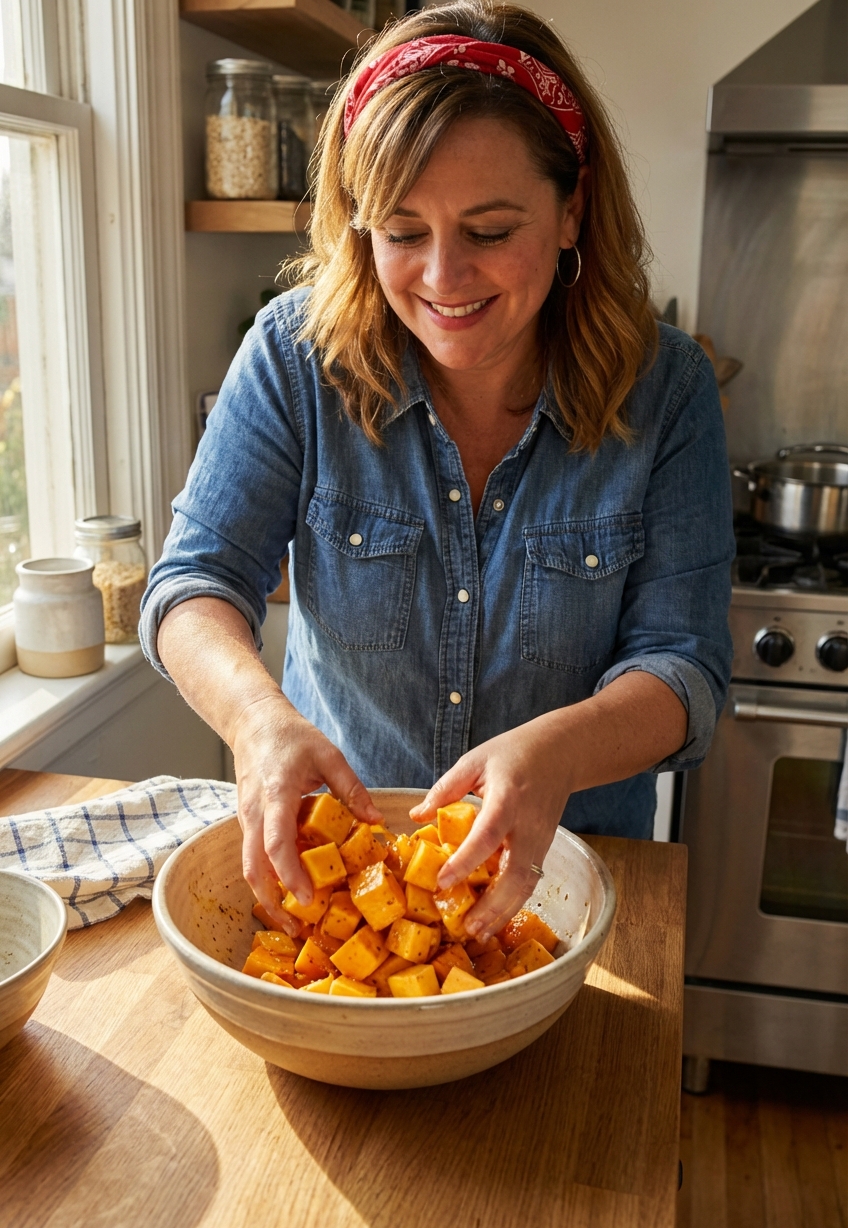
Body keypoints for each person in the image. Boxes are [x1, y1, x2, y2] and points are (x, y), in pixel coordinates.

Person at [141, 0, 734, 940]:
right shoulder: (295, 360)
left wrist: (556, 752)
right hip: (342, 895)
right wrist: (259, 724)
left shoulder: (667, 390)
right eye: (402, 231)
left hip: (571, 892)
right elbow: (192, 585)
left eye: (492, 231)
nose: (443, 277)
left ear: (573, 207)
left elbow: (685, 668)